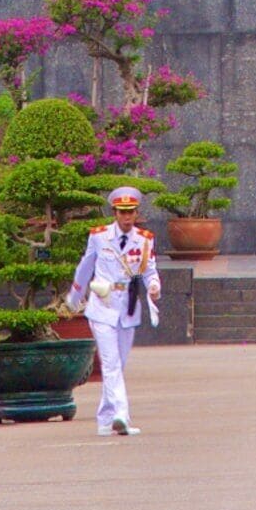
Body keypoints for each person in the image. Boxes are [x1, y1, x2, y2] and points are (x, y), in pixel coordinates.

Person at [61, 185, 164, 435]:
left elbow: (150, 271)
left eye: (131, 212)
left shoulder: (145, 239)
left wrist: (153, 287)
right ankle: (121, 414)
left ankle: (105, 420)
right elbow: (85, 268)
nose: (126, 217)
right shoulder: (99, 236)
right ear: (114, 212)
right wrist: (74, 298)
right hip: (102, 304)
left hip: (128, 306)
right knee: (110, 362)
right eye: (122, 212)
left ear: (137, 213)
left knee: (119, 362)